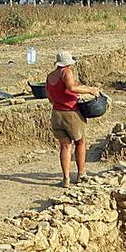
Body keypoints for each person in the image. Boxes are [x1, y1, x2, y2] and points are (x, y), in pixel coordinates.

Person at [46, 51, 100, 187]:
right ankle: (81, 174)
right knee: (80, 142)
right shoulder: (66, 72)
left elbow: (49, 96)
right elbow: (71, 87)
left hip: (56, 113)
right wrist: (89, 90)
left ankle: (66, 178)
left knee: (65, 146)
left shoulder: (50, 76)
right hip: (70, 113)